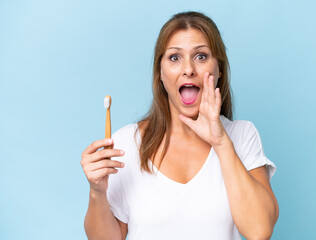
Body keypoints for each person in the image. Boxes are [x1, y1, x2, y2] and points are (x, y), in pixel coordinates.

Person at [81, 11, 279, 240]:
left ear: (219, 70)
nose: (188, 69)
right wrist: (97, 192)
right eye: (175, 58)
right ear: (161, 74)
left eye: (201, 56)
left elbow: (260, 231)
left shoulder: (242, 136)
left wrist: (221, 142)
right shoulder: (126, 144)